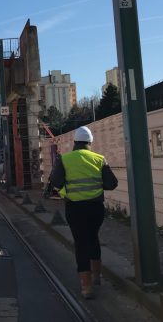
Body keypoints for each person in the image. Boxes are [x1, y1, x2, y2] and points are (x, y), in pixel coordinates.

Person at [49, 126, 117, 299]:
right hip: (95, 208)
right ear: (90, 142)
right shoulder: (99, 159)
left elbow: (55, 181)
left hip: (75, 208)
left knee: (81, 243)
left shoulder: (65, 159)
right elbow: (111, 183)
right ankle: (97, 277)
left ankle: (86, 287)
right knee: (93, 238)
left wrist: (66, 190)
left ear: (75, 142)